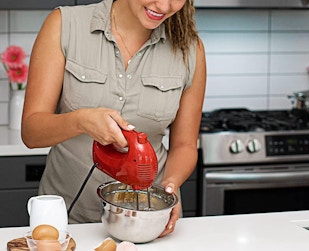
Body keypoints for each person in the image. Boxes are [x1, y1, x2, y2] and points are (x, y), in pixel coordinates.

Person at [21, 0, 206, 238]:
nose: (163, 5)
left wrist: (169, 188)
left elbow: (185, 145)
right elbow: (31, 132)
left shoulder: (190, 49)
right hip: (69, 223)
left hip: (147, 223)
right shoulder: (65, 25)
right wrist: (81, 121)